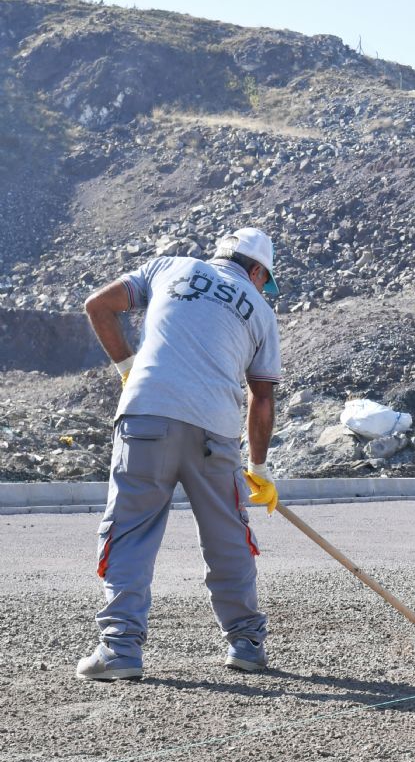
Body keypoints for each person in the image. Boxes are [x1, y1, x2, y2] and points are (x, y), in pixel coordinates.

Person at [77, 227, 283, 680]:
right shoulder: (261, 312)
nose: (263, 288)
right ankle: (246, 643)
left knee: (130, 529)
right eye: (265, 279)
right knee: (227, 536)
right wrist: (259, 468)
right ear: (254, 269)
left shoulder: (169, 266)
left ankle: (119, 650)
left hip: (147, 416)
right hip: (215, 432)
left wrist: (129, 371)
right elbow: (261, 398)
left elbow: (98, 306)